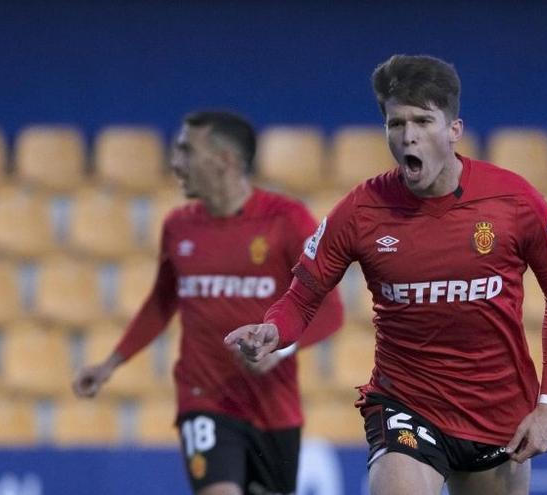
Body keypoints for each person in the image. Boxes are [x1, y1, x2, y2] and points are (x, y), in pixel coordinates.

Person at [225, 55, 547, 495]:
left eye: (423, 121)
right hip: (407, 405)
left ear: (454, 129)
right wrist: (273, 330)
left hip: (498, 412)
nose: (408, 135)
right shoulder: (361, 211)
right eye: (396, 124)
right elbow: (303, 297)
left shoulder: (514, 201)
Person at [73, 110, 344, 495]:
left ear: (225, 161)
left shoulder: (286, 220)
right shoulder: (178, 226)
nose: (175, 162)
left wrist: (278, 351)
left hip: (273, 405)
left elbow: (330, 311)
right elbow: (161, 302)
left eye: (186, 150)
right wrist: (110, 363)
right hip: (204, 396)